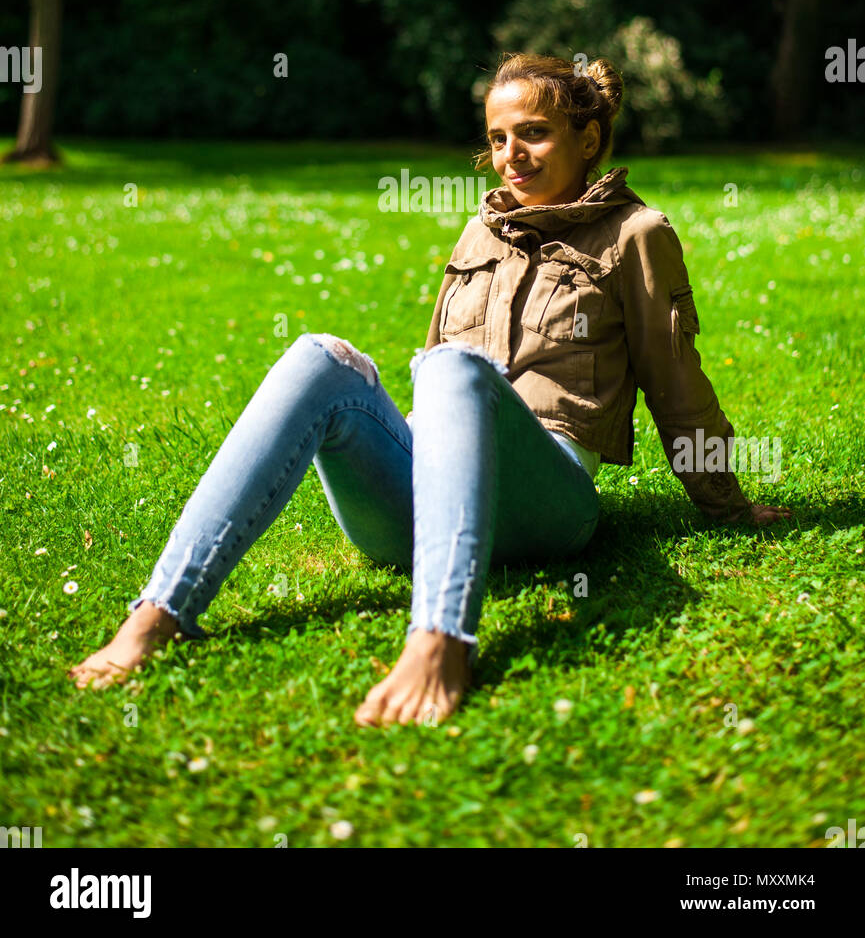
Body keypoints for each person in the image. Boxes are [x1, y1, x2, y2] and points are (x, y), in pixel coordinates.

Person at [68, 51, 790, 723]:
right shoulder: (478, 234)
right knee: (320, 357)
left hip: (548, 500)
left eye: (534, 133)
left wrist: (723, 504)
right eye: (497, 137)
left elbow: (674, 378)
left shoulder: (635, 234)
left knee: (451, 368)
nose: (511, 154)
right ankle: (159, 613)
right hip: (422, 506)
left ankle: (440, 638)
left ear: (589, 138)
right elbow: (431, 378)